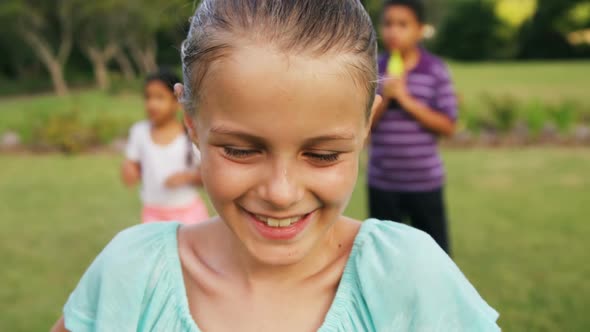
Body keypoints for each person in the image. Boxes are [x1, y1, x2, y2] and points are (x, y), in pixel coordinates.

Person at [51, 1, 498, 331]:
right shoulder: (128, 276)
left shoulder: (411, 276)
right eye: (241, 150)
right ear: (191, 124)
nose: (281, 192)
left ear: (366, 128)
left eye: (323, 155)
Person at [369, 0, 458, 254]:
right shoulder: (373, 68)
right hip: (383, 183)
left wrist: (406, 99)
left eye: (403, 24)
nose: (393, 31)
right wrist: (385, 98)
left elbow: (448, 126)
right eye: (388, 24)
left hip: (424, 183)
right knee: (385, 258)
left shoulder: (435, 70)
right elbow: (362, 127)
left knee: (434, 256)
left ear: (419, 30)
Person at [121, 69, 209, 224]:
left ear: (177, 102)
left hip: (188, 214)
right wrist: (130, 170)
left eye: (160, 97)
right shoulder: (139, 131)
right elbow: (131, 168)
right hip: (153, 214)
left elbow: (207, 176)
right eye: (148, 97)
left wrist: (187, 177)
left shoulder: (190, 134)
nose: (152, 104)